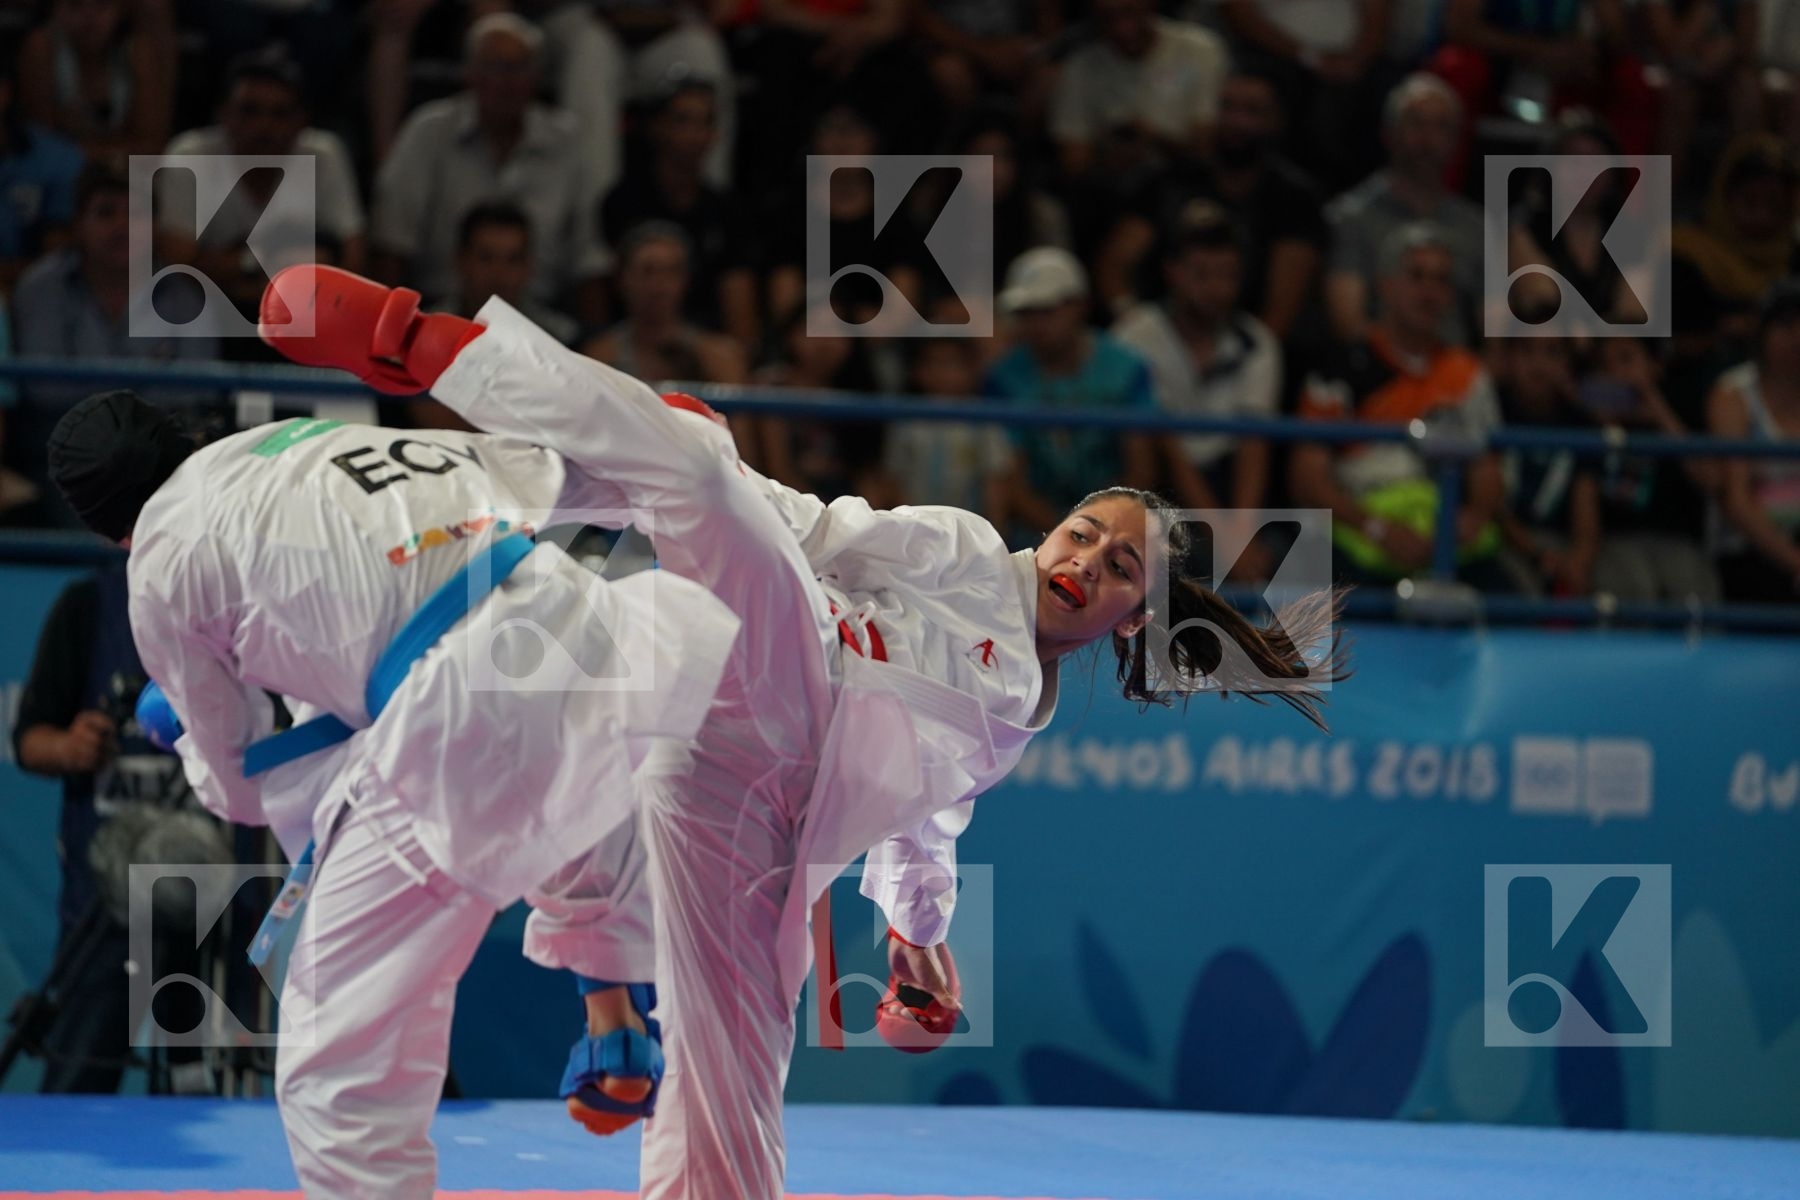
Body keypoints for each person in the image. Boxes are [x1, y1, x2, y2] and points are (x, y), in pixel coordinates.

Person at [247, 264, 1346, 1199]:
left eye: (1116, 570)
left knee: (738, 1104)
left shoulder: (1015, 715)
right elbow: (816, 528)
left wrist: (918, 940)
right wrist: (721, 468)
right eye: (1080, 534)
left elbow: (926, 821)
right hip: (775, 659)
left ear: (1135, 619)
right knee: (689, 468)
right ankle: (416, 347)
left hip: (750, 816)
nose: (1081, 564)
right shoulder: (963, 549)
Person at [44, 366, 742, 1194]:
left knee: (335, 1070)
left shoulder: (159, 565)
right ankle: (613, 1021)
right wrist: (660, 441)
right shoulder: (313, 443)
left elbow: (238, 786)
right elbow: (538, 475)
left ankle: (598, 1026)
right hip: (596, 635)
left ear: (105, 527)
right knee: (556, 800)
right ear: (184, 438)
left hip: (459, 719)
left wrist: (185, 734)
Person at [11, 561, 204, 1093]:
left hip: (213, 912)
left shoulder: (232, 604)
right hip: (105, 913)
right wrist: (69, 747)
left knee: (203, 1093)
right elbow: (29, 740)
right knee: (78, 1084)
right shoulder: (88, 607)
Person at [1291, 222, 1510, 590]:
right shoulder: (1341, 368)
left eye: (1441, 281)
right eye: (1417, 276)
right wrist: (1376, 528)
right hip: (1359, 533)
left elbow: (1487, 470)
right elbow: (1307, 479)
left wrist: (1471, 519)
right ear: (1386, 285)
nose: (1430, 292)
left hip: (1447, 540)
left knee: (1509, 600)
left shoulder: (1467, 374)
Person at [371, 12, 610, 329]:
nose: (505, 81)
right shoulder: (428, 132)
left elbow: (589, 258)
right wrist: (390, 332)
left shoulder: (567, 142)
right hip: (436, 316)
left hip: (542, 321)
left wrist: (593, 345)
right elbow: (392, 243)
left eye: (518, 69)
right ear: (468, 73)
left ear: (536, 77)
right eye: (493, 67)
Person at [1112, 202, 1281, 581]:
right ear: (1173, 272)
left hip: (1232, 486)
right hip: (1162, 488)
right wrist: (1225, 542)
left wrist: (1240, 537)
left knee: (1288, 553)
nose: (1217, 289)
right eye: (1202, 275)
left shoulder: (1257, 342)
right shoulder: (1134, 337)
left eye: (1228, 275)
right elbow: (1167, 447)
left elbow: (1253, 446)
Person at [983, 247, 1161, 544]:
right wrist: (1067, 535)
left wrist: (1095, 528)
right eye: (1026, 313)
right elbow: (1008, 478)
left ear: (1080, 306)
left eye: (1046, 310)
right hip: (1034, 533)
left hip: (1116, 527)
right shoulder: (1002, 379)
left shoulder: (1126, 369)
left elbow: (1141, 469)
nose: (1036, 325)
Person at [1324, 73, 1485, 347]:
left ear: (1456, 141)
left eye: (1441, 127)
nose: (1428, 138)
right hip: (1379, 373)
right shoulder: (1349, 218)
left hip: (1459, 377)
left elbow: (1497, 340)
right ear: (1388, 134)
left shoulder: (1478, 227)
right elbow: (1348, 324)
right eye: (1416, 123)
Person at [1706, 280, 1800, 602]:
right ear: (1763, 333)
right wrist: (1796, 563)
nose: (1797, 338)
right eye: (1786, 326)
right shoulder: (1734, 394)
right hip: (1749, 547)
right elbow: (1737, 500)